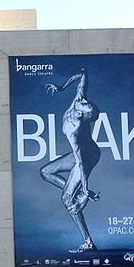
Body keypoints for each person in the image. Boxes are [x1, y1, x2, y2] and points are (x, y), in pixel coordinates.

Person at [40, 68, 102, 253]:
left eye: (86, 105)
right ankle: (78, 193)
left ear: (83, 114)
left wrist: (84, 186)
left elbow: (80, 163)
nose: (84, 100)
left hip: (87, 155)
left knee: (67, 199)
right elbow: (83, 74)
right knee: (46, 171)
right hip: (83, 153)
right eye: (86, 101)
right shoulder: (79, 99)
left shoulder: (73, 130)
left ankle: (88, 242)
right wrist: (61, 87)